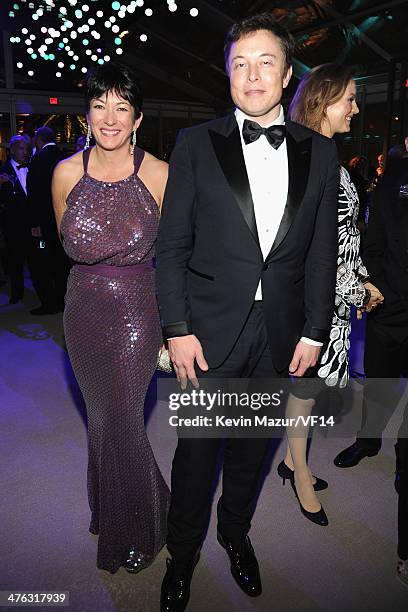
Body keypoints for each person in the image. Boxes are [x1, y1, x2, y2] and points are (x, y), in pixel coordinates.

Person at [156, 13, 339, 611]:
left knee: (251, 449)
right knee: (196, 453)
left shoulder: (321, 152)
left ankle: (235, 535)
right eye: (240, 63)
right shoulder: (194, 144)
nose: (253, 74)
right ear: (229, 76)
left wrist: (315, 331)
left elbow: (319, 254)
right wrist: (177, 329)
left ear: (287, 75)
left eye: (266, 63)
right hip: (207, 332)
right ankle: (181, 556)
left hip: (281, 332)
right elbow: (172, 247)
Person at [52, 63, 170, 573]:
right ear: (88, 115)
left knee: (123, 419)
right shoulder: (64, 173)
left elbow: (181, 254)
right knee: (102, 422)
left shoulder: (161, 174)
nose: (110, 117)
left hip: (138, 311)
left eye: (122, 106)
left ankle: (140, 521)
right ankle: (115, 510)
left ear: (138, 117)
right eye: (100, 105)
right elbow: (66, 242)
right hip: (82, 310)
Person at [275, 64, 384, 526]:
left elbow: (343, 237)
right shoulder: (306, 160)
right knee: (304, 390)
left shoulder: (326, 155)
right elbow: (305, 251)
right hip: (312, 301)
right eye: (349, 99)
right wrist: (353, 286)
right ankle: (300, 475)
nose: (356, 109)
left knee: (311, 391)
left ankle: (288, 460)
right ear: (323, 99)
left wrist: (362, 279)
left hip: (334, 295)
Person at [332, 148, 408, 583]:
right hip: (388, 303)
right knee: (379, 383)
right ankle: (368, 441)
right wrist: (374, 286)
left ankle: (403, 458)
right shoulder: (395, 175)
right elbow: (372, 239)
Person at [0, 135, 47, 305]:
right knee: (16, 262)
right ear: (12, 150)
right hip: (14, 227)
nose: (25, 152)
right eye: (21, 148)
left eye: (27, 149)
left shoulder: (34, 167)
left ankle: (44, 294)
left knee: (39, 259)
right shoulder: (3, 171)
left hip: (35, 226)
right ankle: (17, 293)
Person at [27, 126, 69, 314]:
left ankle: (51, 303)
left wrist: (35, 223)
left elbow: (34, 195)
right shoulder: (65, 158)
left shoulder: (38, 159)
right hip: (64, 222)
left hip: (45, 224)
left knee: (45, 262)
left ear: (39, 139)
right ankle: (65, 300)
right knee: (63, 263)